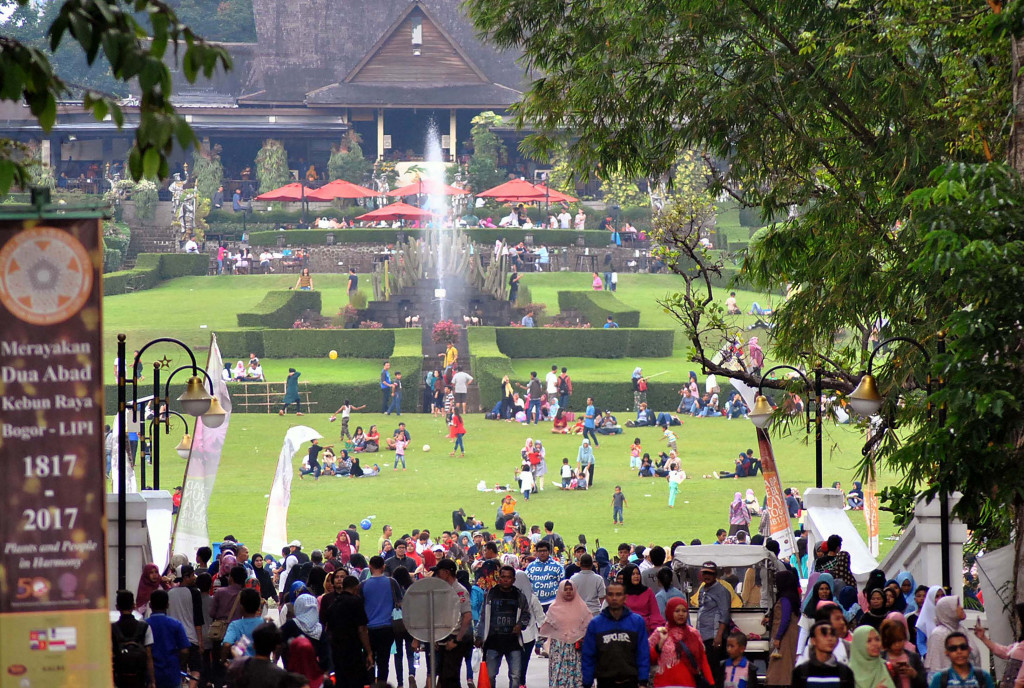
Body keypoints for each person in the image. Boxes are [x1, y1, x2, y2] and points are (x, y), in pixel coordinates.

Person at [581, 581, 650, 688]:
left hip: (631, 681)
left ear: (625, 598)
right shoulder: (596, 624)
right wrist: (587, 682)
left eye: (618, 594)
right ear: (606, 597)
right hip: (605, 682)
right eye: (610, 594)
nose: (614, 598)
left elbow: (643, 653)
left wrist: (643, 681)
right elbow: (588, 655)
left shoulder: (637, 622)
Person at [476, 565, 531, 688]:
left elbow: (526, 614)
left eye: (509, 577)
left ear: (513, 580)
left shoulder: (519, 596)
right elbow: (483, 616)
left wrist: (520, 625)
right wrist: (479, 636)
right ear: (499, 578)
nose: (505, 580)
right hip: (493, 641)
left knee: (515, 676)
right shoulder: (490, 594)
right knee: (490, 675)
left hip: (513, 642)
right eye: (503, 577)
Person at [649, 597, 714, 688]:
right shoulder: (660, 632)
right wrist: (660, 644)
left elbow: (703, 660)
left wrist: (711, 683)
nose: (681, 614)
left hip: (689, 684)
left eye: (684, 611)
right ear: (669, 612)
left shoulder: (694, 634)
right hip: (664, 684)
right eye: (677, 611)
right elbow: (649, 659)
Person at [324, 575, 374, 688]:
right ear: (356, 588)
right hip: (353, 649)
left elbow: (328, 629)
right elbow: (362, 629)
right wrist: (369, 652)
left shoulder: (333, 604)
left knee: (341, 681)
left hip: (337, 650)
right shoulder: (356, 602)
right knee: (356, 681)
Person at [360, 556, 402, 687]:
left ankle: (371, 684)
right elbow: (400, 602)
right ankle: (382, 684)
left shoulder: (363, 585)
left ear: (370, 566)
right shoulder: (392, 582)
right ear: (383, 566)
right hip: (387, 627)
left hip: (369, 630)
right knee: (384, 661)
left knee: (369, 659)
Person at [540, 580, 592, 688]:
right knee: (559, 675)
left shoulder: (582, 607)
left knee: (578, 676)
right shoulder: (553, 608)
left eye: (571, 589)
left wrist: (579, 635)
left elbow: (589, 626)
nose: (568, 592)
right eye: (565, 589)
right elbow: (547, 627)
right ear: (560, 591)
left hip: (577, 649)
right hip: (559, 649)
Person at [434, 559, 474, 688]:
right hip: (442, 639)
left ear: (446, 573)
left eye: (438, 572)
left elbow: (467, 617)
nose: (436, 576)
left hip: (454, 640)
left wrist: (457, 640)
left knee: (450, 677)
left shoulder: (459, 591)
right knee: (442, 676)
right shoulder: (443, 590)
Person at [925, 597, 980, 679]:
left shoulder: (962, 629)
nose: (961, 608)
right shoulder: (938, 634)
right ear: (947, 611)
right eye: (957, 605)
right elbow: (935, 667)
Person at [696, 561, 731, 688]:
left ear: (715, 575)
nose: (707, 576)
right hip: (702, 636)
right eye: (705, 573)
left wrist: (719, 636)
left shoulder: (722, 591)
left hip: (714, 637)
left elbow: (724, 614)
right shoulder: (702, 589)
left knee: (713, 671)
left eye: (710, 573)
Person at [111, 590, 156, 688]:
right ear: (134, 606)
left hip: (120, 678)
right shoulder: (144, 627)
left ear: (117, 607)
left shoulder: (111, 629)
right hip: (139, 678)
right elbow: (149, 655)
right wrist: (152, 681)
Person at [792, 621, 856, 688]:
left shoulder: (845, 672)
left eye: (832, 634)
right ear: (813, 640)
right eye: (824, 634)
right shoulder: (801, 672)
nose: (829, 639)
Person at [225, 622, 289, 687]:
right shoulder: (280, 675)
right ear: (275, 648)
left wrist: (236, 661)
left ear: (254, 645)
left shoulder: (238, 668)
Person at [766, 570, 801, 686]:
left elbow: (785, 619)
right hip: (791, 634)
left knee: (781, 665)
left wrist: (778, 637)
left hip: (785, 636)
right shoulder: (792, 597)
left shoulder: (785, 598)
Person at [928, 631, 995, 688]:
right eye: (953, 648)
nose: (959, 652)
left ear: (969, 649)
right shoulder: (940, 678)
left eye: (963, 647)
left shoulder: (983, 676)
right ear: (947, 652)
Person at [880, 616, 927, 688]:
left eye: (900, 640)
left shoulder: (914, 657)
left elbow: (924, 683)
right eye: (893, 642)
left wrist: (914, 674)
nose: (897, 645)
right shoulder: (881, 658)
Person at [620, 564, 665, 634]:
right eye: (633, 574)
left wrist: (655, 629)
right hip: (626, 629)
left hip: (646, 629)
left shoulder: (648, 592)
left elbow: (655, 613)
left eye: (638, 574)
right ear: (627, 576)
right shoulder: (621, 593)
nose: (636, 576)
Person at [221, 588, 264, 661]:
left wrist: (223, 660)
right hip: (260, 664)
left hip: (240, 665)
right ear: (258, 606)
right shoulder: (264, 623)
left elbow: (226, 645)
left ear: (241, 606)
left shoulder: (235, 625)